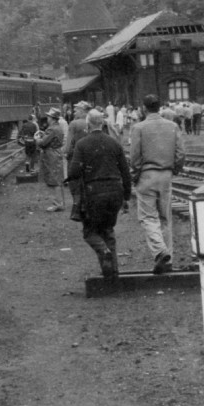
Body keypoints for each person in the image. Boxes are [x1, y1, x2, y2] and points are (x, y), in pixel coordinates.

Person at [69, 109, 131, 279]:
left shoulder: (82, 144)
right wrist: (126, 197)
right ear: (103, 123)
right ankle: (112, 273)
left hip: (93, 193)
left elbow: (74, 171)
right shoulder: (114, 143)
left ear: (88, 124)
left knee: (90, 231)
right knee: (108, 230)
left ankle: (104, 252)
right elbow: (126, 173)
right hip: (115, 192)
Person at [129, 93, 185, 274]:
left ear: (144, 108)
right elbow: (180, 153)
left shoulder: (139, 128)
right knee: (165, 218)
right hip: (166, 175)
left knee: (147, 217)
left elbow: (135, 156)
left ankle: (160, 252)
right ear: (159, 107)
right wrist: (174, 170)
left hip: (147, 175)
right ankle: (168, 258)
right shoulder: (173, 126)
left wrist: (136, 175)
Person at [62, 101, 91, 219]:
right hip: (89, 156)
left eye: (76, 110)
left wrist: (65, 152)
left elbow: (68, 145)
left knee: (74, 182)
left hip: (75, 157)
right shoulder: (92, 122)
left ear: (82, 111)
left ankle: (77, 207)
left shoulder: (74, 124)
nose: (74, 112)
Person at [37, 108, 67, 212]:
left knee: (53, 180)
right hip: (57, 152)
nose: (47, 118)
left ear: (53, 118)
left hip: (51, 155)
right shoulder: (59, 128)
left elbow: (43, 143)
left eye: (49, 117)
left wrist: (37, 140)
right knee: (58, 178)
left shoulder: (51, 129)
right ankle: (60, 203)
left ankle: (57, 204)